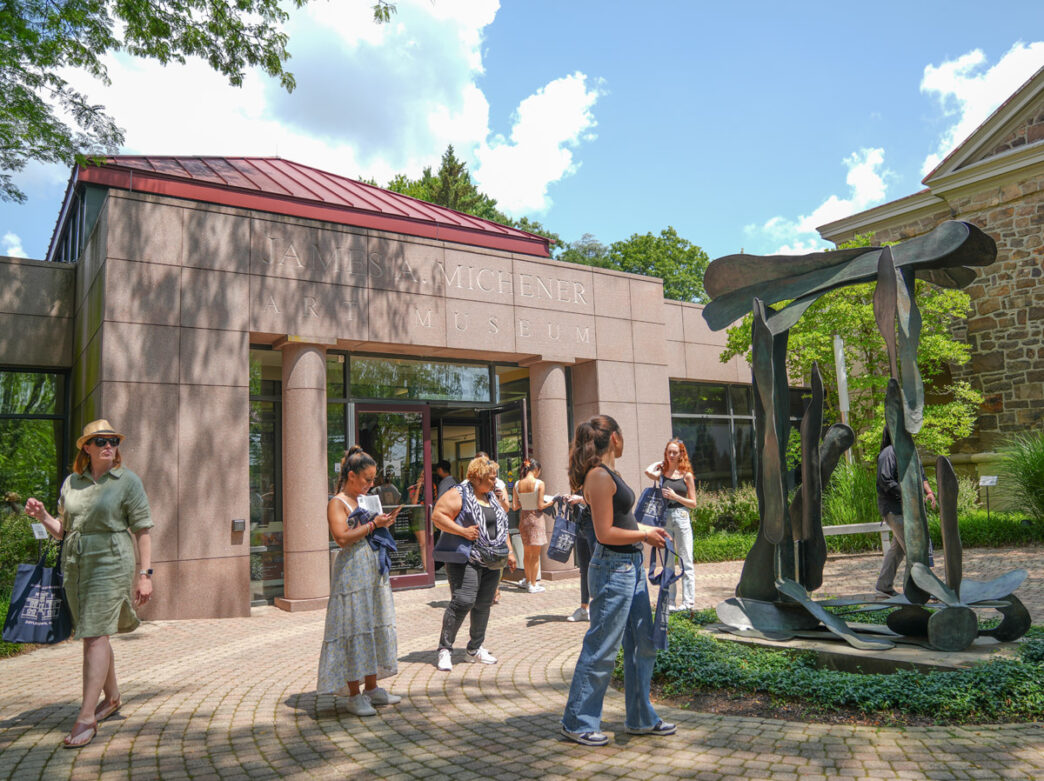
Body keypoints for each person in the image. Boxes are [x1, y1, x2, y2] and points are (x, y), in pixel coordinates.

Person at [24, 419, 153, 749]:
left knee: (94, 634)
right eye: (100, 441)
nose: (108, 445)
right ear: (86, 447)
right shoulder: (72, 483)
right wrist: (41, 516)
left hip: (111, 561)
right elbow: (64, 531)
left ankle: (86, 717)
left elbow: (142, 530)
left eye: (113, 440)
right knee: (94, 631)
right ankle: (111, 698)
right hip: (76, 564)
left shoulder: (128, 482)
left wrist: (145, 575)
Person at [560, 415, 674, 747]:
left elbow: (621, 522)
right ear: (615, 439)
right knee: (602, 647)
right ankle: (577, 721)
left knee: (643, 644)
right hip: (613, 569)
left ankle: (640, 717)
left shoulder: (610, 473)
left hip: (631, 567)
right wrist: (644, 533)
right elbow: (605, 533)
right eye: (623, 435)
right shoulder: (597, 476)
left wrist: (645, 532)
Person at [317, 446, 403, 716]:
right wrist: (374, 525)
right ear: (351, 475)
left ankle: (372, 687)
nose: (370, 484)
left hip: (372, 570)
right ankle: (354, 694)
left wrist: (382, 524)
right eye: (367, 479)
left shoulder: (365, 500)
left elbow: (368, 531)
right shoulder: (337, 502)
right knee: (354, 627)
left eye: (373, 479)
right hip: (352, 573)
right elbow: (341, 537)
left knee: (374, 624)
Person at [432, 455, 515, 671]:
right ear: (476, 478)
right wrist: (462, 531)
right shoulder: (459, 494)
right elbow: (437, 515)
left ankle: (474, 649)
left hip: (493, 559)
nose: (494, 482)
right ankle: (445, 649)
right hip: (466, 557)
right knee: (463, 600)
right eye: (490, 478)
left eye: (495, 478)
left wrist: (511, 551)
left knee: (483, 604)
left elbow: (500, 526)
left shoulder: (491, 496)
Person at [875, 428, 937, 596]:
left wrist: (929, 492)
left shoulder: (911, 453)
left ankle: (883, 585)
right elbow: (885, 480)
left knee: (897, 550)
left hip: (910, 511)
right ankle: (922, 589)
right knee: (915, 549)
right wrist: (909, 493)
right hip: (896, 511)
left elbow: (921, 476)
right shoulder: (888, 453)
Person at [644, 439, 697, 612]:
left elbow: (693, 503)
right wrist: (659, 463)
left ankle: (688, 603)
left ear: (682, 454)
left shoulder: (686, 475)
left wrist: (676, 497)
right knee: (668, 563)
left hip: (681, 517)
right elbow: (647, 471)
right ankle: (670, 602)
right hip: (665, 519)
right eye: (669, 452)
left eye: (675, 452)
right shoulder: (663, 474)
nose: (672, 455)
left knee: (686, 560)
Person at [511, 458, 556, 594]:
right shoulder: (539, 483)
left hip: (524, 518)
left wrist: (524, 502)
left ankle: (528, 580)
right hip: (536, 519)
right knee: (535, 555)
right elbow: (541, 505)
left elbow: (514, 507)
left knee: (527, 553)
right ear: (536, 470)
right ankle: (533, 584)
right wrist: (552, 502)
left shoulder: (517, 484)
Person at [563, 494, 590, 622]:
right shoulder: (578, 482)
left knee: (598, 569)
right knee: (584, 570)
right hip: (580, 528)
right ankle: (584, 608)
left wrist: (580, 499)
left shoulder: (594, 477)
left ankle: (598, 607)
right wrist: (571, 501)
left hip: (595, 530)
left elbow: (600, 499)